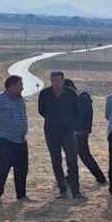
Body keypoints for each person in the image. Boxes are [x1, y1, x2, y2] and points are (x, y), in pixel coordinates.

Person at [37, 70, 82, 199]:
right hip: (51, 132)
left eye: (58, 81)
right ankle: (62, 189)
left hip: (68, 131)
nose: (56, 84)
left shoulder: (71, 94)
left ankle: (75, 190)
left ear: (63, 81)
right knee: (56, 161)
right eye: (53, 81)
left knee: (72, 161)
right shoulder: (45, 94)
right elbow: (42, 111)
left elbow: (77, 111)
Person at [64, 79, 107, 186]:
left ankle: (100, 178)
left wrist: (76, 130)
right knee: (75, 155)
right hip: (77, 132)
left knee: (84, 156)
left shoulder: (82, 98)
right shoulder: (79, 97)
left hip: (79, 132)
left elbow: (81, 116)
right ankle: (71, 177)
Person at [0, 75, 29, 204]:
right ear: (12, 86)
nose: (23, 88)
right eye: (20, 85)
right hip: (4, 140)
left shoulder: (20, 100)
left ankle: (21, 196)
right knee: (3, 168)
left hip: (20, 140)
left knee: (22, 169)